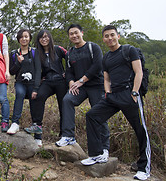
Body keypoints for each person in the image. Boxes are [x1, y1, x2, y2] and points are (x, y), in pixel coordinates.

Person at [81, 25, 151, 181]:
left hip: (129, 94)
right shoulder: (106, 57)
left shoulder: (129, 50)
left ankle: (144, 169)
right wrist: (107, 94)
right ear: (103, 39)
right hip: (113, 96)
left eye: (112, 35)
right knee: (92, 115)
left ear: (118, 36)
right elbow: (106, 78)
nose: (109, 38)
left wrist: (134, 92)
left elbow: (138, 72)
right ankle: (97, 154)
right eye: (106, 36)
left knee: (140, 130)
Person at [55, 24, 110, 157]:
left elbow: (97, 66)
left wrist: (81, 80)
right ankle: (68, 135)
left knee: (98, 113)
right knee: (67, 100)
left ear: (82, 33)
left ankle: (104, 148)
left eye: (76, 33)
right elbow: (69, 71)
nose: (74, 36)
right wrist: (71, 82)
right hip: (80, 87)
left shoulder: (93, 47)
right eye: (71, 34)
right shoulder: (70, 53)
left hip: (96, 85)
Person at [24, 30, 67, 146]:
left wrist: (68, 73)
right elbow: (36, 69)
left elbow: (70, 57)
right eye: (41, 38)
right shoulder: (37, 53)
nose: (44, 39)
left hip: (61, 81)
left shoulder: (58, 49)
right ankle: (37, 127)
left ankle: (64, 134)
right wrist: (37, 84)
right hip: (47, 81)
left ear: (50, 38)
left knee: (64, 105)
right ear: (38, 40)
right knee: (37, 97)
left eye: (46, 37)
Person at [7, 29, 38, 135]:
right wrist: (18, 62)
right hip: (20, 82)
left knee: (34, 100)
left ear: (29, 38)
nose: (24, 39)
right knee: (19, 94)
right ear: (18, 39)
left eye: (26, 36)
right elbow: (11, 71)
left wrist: (37, 87)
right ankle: (15, 123)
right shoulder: (13, 53)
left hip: (33, 83)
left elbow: (38, 70)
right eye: (21, 37)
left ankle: (36, 129)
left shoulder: (34, 52)